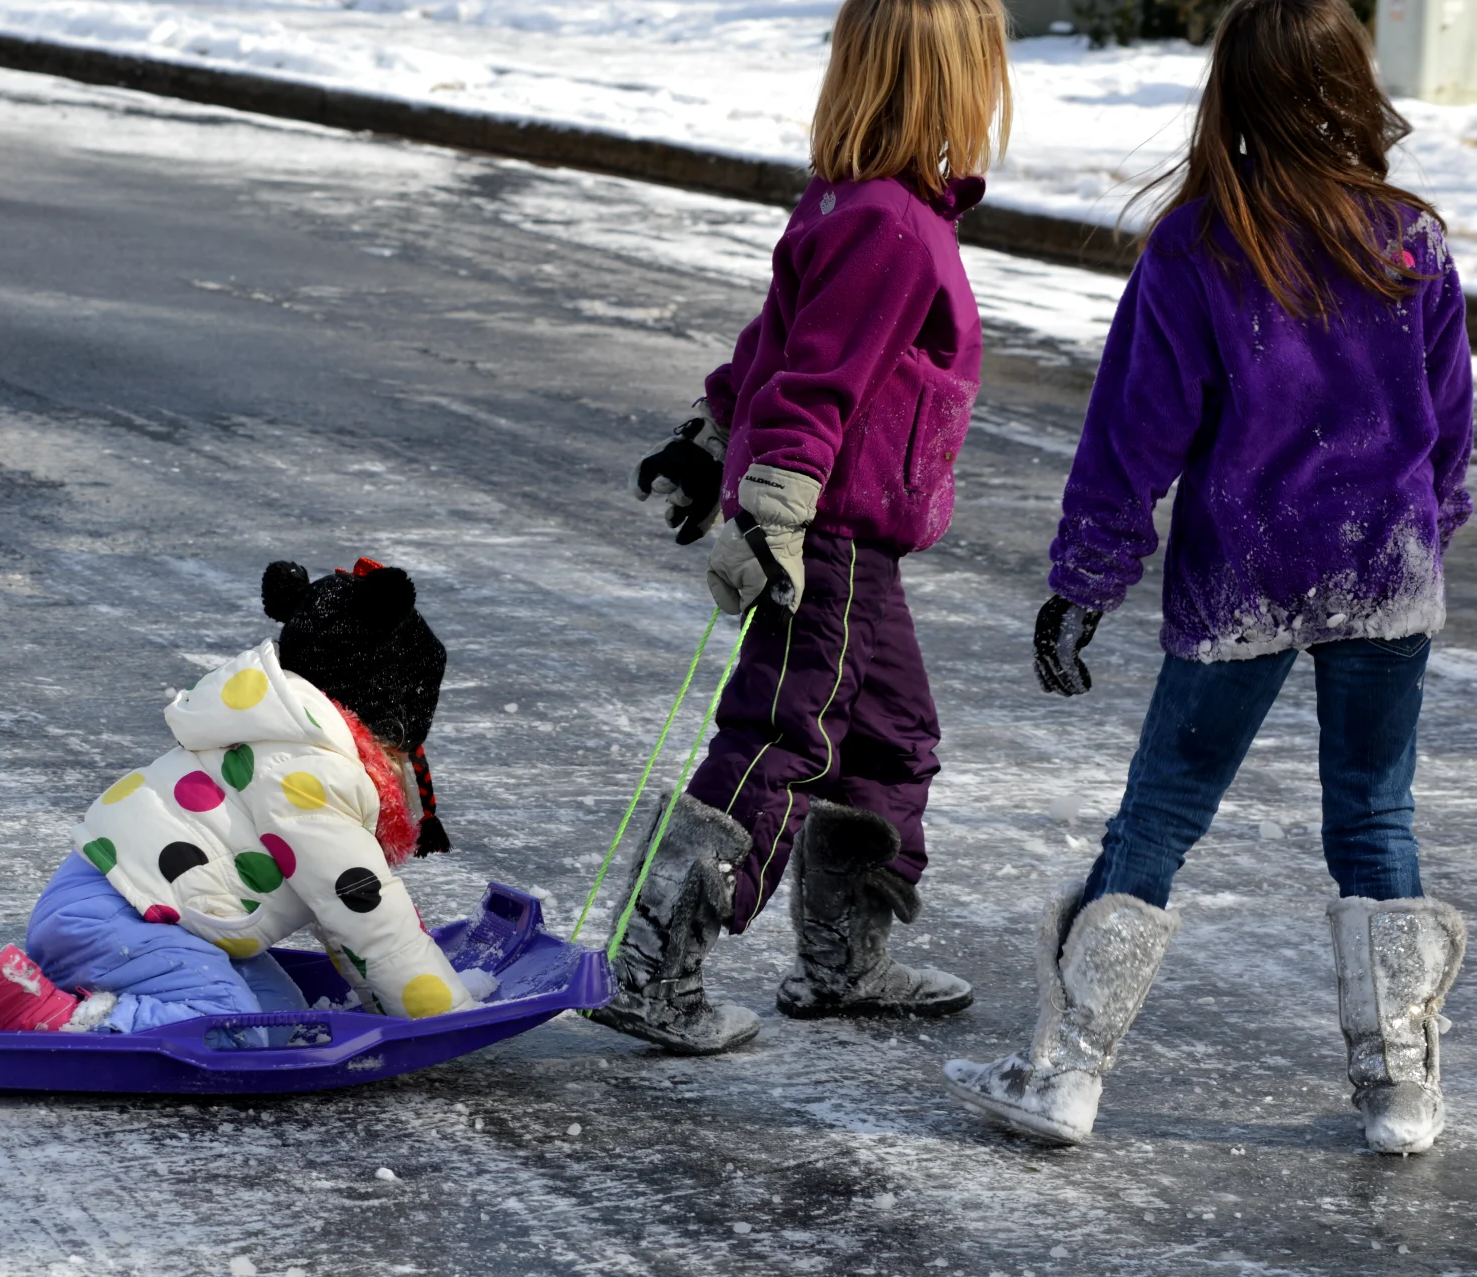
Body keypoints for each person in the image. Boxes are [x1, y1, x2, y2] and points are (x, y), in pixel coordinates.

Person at [944, 0, 1470, 1154]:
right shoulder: (1409, 243)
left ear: (1234, 91)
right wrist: (1426, 528)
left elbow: (1134, 434)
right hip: (1385, 571)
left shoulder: (1198, 247)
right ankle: (1399, 1088)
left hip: (1246, 580)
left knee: (1164, 811)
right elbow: (1450, 428)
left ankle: (1068, 1070)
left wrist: (1086, 580)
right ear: (1350, 87)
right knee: (1374, 812)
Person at [595, 0, 1012, 1055]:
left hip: (856, 538)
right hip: (826, 530)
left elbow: (775, 339)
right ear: (953, 84)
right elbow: (816, 377)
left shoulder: (861, 204)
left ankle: (842, 959)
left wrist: (711, 433)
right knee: (781, 734)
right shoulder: (890, 224)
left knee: (892, 736)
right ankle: (654, 964)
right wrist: (773, 498)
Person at [0, 557, 488, 1034]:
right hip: (118, 921)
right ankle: (53, 1018)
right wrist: (443, 1018)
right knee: (230, 1026)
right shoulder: (309, 773)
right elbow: (363, 909)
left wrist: (391, 1009)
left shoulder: (281, 734)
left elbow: (339, 914)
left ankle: (87, 998)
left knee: (280, 1020)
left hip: (129, 912)